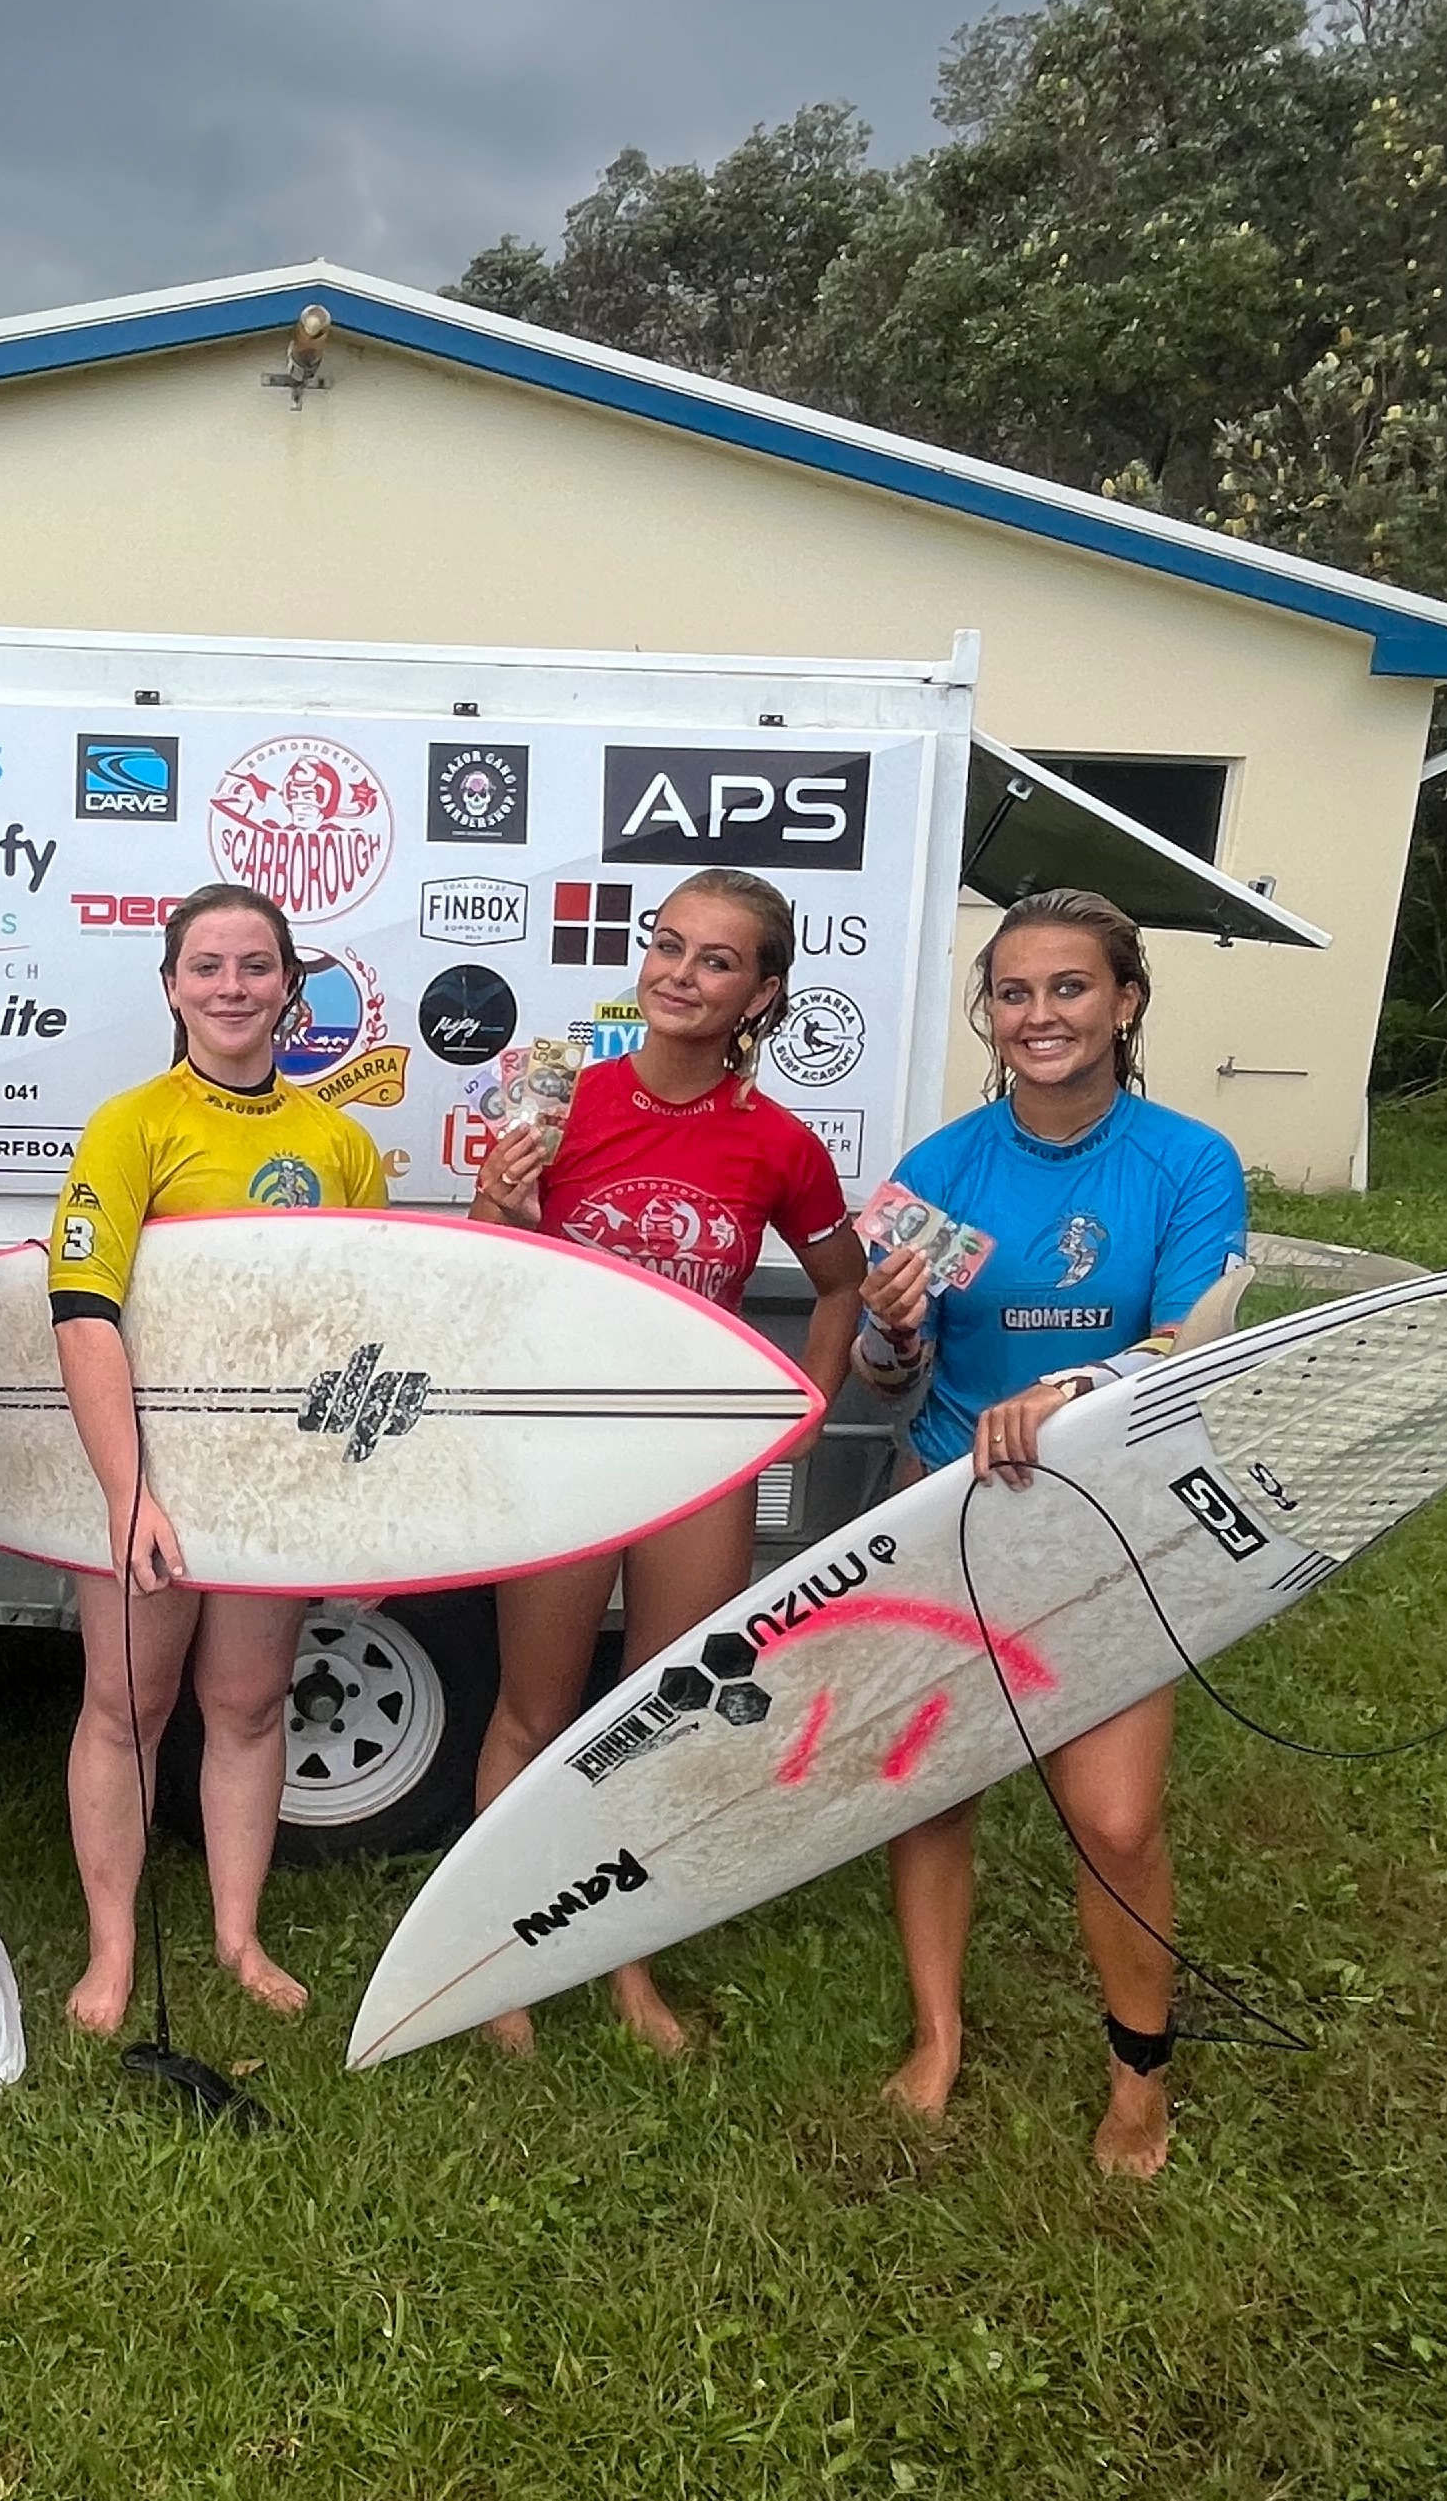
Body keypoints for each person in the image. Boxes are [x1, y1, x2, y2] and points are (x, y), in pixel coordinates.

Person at [854, 885, 1246, 2178]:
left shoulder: (1187, 1162)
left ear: (1125, 1001)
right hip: (955, 1511)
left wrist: (1074, 1390)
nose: (1039, 1015)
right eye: (1013, 992)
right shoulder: (943, 1170)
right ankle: (936, 2032)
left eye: (1068, 987)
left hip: (1114, 1518)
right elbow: (888, 1378)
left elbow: (1201, 1338)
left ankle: (1141, 2081)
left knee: (1118, 1819)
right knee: (936, 1782)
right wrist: (894, 1328)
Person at [465, 866, 864, 2055]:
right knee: (534, 1711)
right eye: (669, 947)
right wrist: (495, 1203)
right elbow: (493, 1277)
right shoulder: (563, 1103)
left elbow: (840, 1288)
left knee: (663, 1714)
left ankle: (630, 1969)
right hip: (567, 1439)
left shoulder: (781, 1143)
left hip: (701, 1453)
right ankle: (503, 1966)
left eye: (717, 960)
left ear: (762, 991)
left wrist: (807, 1406)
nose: (680, 976)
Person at [51, 882, 387, 2035]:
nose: (232, 988)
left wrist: (349, 1499)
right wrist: (128, 1487)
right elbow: (83, 1313)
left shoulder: (340, 1143)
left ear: (291, 986)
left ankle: (238, 1935)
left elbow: (361, 1338)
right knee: (126, 1706)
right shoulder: (132, 1123)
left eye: (255, 966)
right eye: (208, 967)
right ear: (172, 988)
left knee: (246, 1705)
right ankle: (112, 1950)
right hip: (153, 1469)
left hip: (274, 1477)